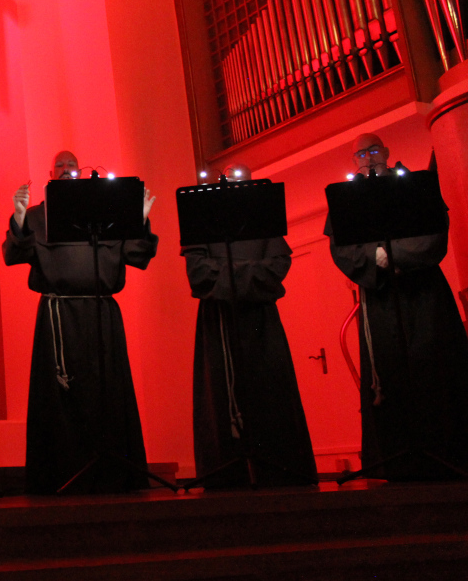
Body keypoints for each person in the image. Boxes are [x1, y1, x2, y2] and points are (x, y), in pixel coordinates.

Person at [3, 150, 157, 494]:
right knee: (62, 398)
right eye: (61, 165)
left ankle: (113, 473)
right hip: (59, 316)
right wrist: (18, 217)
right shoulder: (38, 216)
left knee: (107, 392)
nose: (69, 170)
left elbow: (137, 255)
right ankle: (63, 474)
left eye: (73, 165)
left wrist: (139, 219)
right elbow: (14, 255)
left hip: (102, 312)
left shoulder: (107, 211)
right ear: (51, 174)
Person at [326, 134, 468, 480]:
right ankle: (397, 461)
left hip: (423, 295)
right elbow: (342, 249)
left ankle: (446, 454)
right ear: (354, 160)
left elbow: (434, 235)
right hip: (380, 298)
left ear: (387, 153)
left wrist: (392, 255)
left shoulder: (414, 186)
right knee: (389, 374)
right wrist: (375, 259)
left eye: (374, 151)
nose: (368, 158)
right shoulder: (346, 200)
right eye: (361, 154)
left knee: (431, 367)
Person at [183, 164, 316, 488]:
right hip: (219, 319)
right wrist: (247, 273)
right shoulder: (201, 219)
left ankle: (278, 465)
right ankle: (229, 469)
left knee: (269, 384)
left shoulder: (263, 219)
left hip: (260, 319)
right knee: (224, 389)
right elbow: (198, 272)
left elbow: (277, 265)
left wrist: (228, 275)